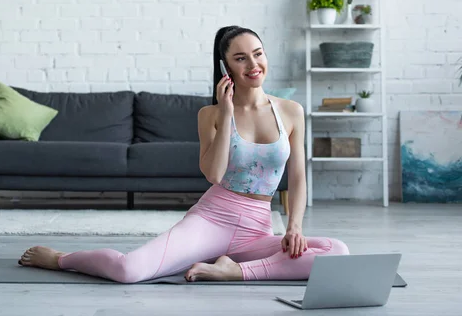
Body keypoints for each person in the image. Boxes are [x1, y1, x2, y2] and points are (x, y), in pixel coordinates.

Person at [18, 25, 349, 283]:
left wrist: (294, 227)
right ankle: (61, 258)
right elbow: (214, 175)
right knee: (129, 271)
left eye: (258, 54)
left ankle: (234, 271)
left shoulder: (291, 111)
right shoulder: (210, 114)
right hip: (212, 220)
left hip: (257, 229)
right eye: (240, 58)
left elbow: (298, 176)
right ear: (226, 67)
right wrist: (226, 113)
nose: (253, 64)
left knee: (336, 252)